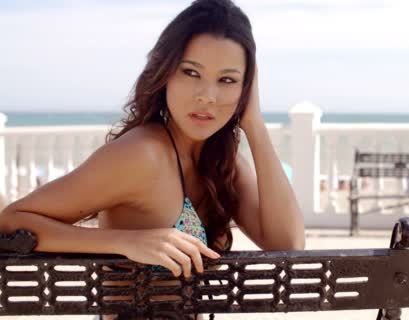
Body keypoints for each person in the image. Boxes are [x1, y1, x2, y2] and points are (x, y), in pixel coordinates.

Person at [0, 0, 305, 316]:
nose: (207, 95)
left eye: (227, 80)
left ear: (246, 87)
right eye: (191, 72)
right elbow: (12, 222)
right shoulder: (142, 156)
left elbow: (290, 248)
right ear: (166, 72)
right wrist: (124, 242)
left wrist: (254, 123)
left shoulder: (224, 164)